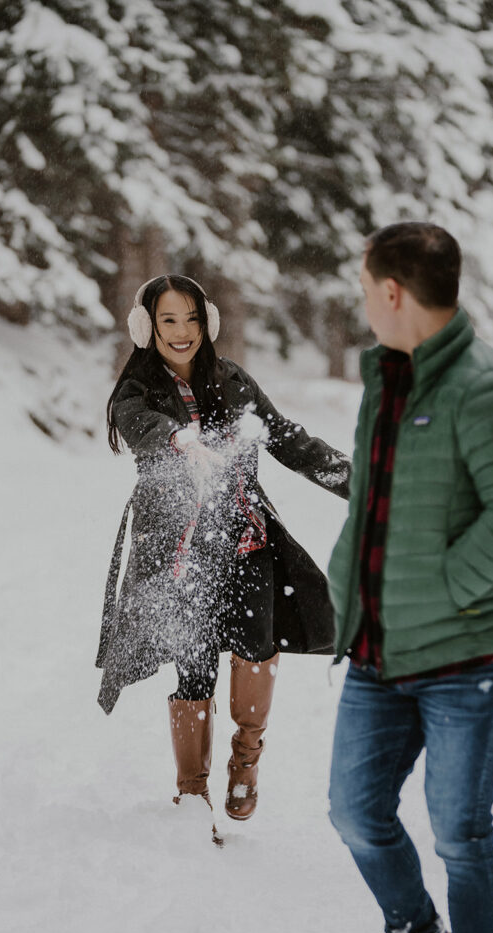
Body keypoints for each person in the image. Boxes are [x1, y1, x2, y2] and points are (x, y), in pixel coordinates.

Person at [327, 223, 493, 933]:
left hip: (469, 656)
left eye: (364, 289)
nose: (363, 304)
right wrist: (345, 592)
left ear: (391, 291)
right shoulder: (385, 380)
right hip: (379, 650)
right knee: (354, 811)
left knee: (460, 835)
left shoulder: (487, 385)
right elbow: (374, 505)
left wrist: (444, 589)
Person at [96, 274, 350, 842]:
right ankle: (192, 790)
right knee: (194, 665)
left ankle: (246, 758)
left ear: (205, 322)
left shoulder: (233, 381)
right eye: (167, 321)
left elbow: (289, 440)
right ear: (147, 328)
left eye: (190, 318)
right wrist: (179, 440)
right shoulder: (137, 391)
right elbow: (135, 424)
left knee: (256, 647)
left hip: (246, 547)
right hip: (181, 558)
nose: (181, 332)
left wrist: (363, 485)